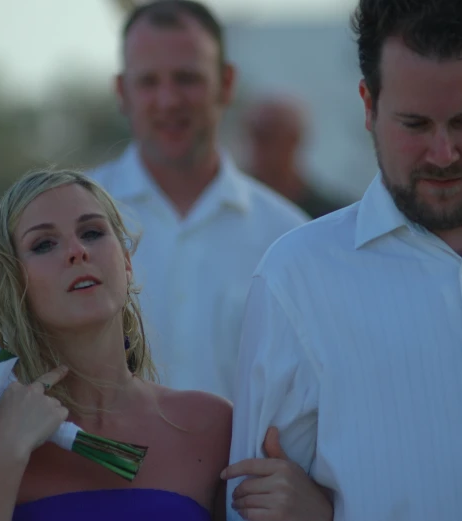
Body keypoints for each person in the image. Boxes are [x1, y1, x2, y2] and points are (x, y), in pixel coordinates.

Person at [225, 1, 462, 520]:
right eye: (415, 124)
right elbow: (254, 505)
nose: (442, 154)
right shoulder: (297, 277)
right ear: (368, 106)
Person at [0, 169, 234, 521]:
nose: (77, 251)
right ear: (13, 283)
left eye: (93, 233)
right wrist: (5, 450)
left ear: (126, 263)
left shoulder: (211, 426)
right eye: (44, 244)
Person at [90, 0, 308, 400]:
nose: (169, 100)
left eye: (187, 78)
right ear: (122, 91)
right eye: (149, 81)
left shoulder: (289, 237)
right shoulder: (71, 224)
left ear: (226, 83)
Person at [240, 95, 346, 218]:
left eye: (268, 135)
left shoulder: (329, 215)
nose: (256, 143)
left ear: (294, 140)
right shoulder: (231, 204)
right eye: (252, 132)